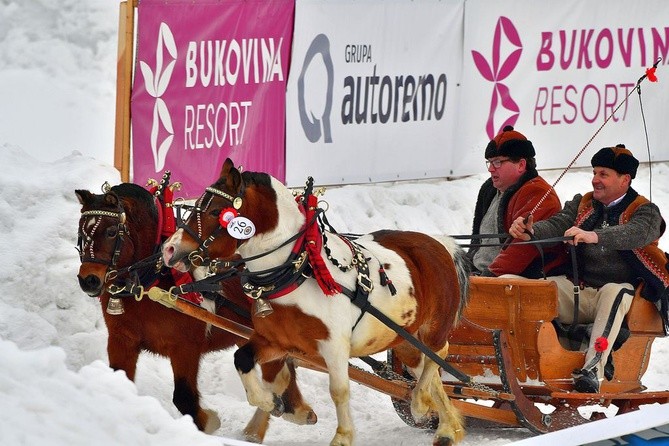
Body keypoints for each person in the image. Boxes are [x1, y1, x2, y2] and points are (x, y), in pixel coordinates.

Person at [509, 144, 666, 393]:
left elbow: (635, 234)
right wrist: (531, 231)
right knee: (529, 289)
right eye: (594, 172)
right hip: (579, 292)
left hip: (624, 300)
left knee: (617, 291)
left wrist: (594, 235)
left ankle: (593, 368)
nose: (595, 180)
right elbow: (558, 224)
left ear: (625, 179)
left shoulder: (645, 211)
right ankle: (523, 362)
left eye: (603, 174)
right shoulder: (583, 204)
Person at [468, 125, 565, 278]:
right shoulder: (490, 190)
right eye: (490, 162)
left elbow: (521, 250)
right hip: (481, 273)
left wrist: (487, 278)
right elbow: (477, 242)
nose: (491, 169)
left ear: (521, 164)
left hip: (522, 277)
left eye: (498, 162)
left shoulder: (537, 192)